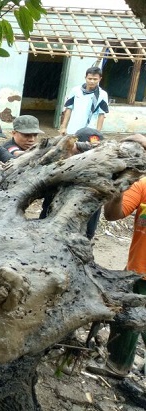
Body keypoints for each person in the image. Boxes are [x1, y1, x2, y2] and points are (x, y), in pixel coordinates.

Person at [88, 134, 146, 379]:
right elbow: (113, 214)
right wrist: (118, 188)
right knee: (128, 316)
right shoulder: (143, 186)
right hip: (139, 268)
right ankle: (117, 365)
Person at [40, 127, 104, 239]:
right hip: (47, 231)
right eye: (83, 151)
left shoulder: (101, 174)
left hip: (81, 236)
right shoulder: (58, 168)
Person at [59, 66, 109, 136]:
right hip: (72, 129)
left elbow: (101, 114)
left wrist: (98, 133)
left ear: (100, 79)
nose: (92, 81)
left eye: (95, 79)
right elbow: (68, 109)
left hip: (90, 130)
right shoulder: (75, 90)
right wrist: (63, 127)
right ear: (85, 78)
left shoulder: (102, 94)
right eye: (90, 78)